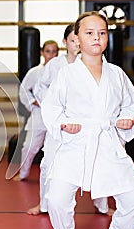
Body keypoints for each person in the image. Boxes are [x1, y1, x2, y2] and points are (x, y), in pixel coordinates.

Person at [41, 11, 134, 229]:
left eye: (102, 33)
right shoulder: (66, 74)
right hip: (75, 143)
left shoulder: (117, 74)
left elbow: (131, 104)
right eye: (89, 33)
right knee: (57, 199)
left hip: (108, 142)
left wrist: (126, 120)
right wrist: (64, 124)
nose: (96, 38)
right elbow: (52, 107)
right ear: (77, 39)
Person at [28, 24, 114, 216]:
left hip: (88, 124)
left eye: (79, 39)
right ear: (65, 42)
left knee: (99, 163)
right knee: (48, 164)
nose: (77, 43)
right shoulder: (55, 65)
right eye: (73, 40)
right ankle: (44, 205)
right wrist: (54, 112)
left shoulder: (96, 64)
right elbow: (41, 88)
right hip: (60, 123)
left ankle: (102, 205)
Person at [13, 40, 58, 183]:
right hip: (39, 114)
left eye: (54, 51)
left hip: (57, 116)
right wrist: (32, 102)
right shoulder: (35, 72)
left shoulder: (63, 72)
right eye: (48, 51)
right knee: (29, 147)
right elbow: (23, 90)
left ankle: (56, 178)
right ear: (42, 53)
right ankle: (23, 173)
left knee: (57, 149)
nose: (50, 55)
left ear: (58, 53)